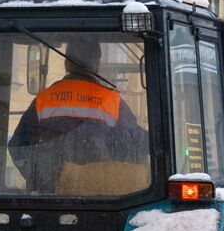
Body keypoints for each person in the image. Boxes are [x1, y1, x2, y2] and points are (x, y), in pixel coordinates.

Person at [8, 37, 148, 194]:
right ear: (96, 64)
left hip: (50, 199)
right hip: (98, 198)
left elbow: (18, 146)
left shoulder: (44, 99)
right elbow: (136, 146)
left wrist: (40, 179)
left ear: (66, 63)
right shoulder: (112, 102)